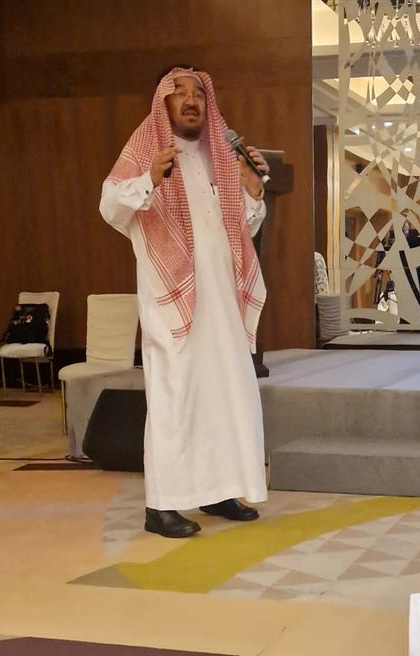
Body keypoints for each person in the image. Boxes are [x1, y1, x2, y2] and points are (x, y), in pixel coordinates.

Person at [100, 66, 270, 538]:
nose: (192, 101)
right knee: (175, 400)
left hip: (222, 303)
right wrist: (150, 179)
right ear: (164, 103)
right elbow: (109, 206)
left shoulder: (221, 154)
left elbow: (242, 227)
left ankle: (219, 489)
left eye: (199, 94)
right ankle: (161, 506)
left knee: (225, 396)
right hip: (172, 304)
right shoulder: (144, 151)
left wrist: (253, 190)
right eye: (181, 94)